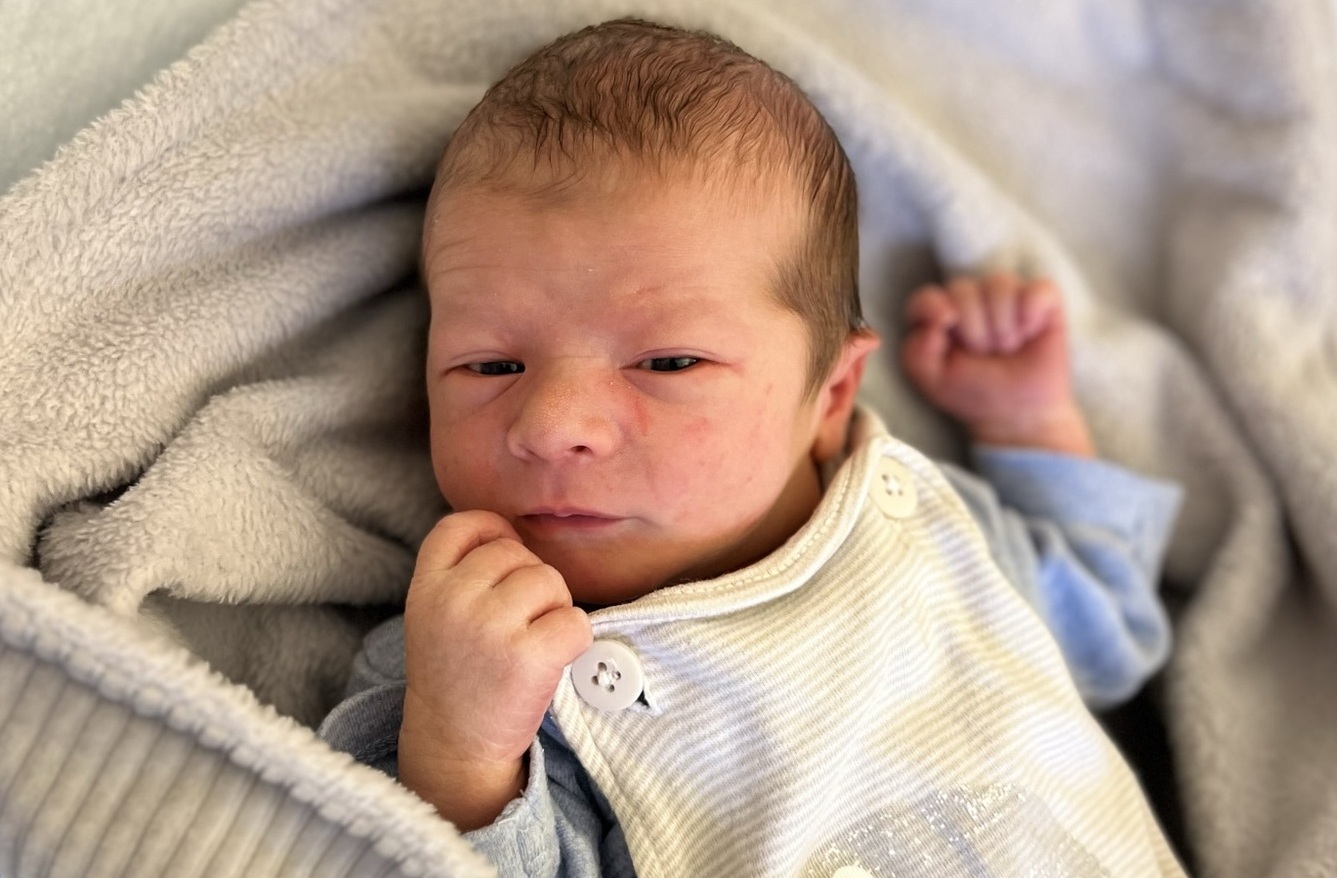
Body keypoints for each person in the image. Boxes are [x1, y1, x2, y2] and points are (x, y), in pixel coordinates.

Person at [320, 18, 1185, 876]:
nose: (551, 425)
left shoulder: (922, 534)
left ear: (831, 396)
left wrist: (1029, 425)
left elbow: (1105, 631)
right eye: (489, 365)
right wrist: (462, 758)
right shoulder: (457, 664)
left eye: (667, 362)